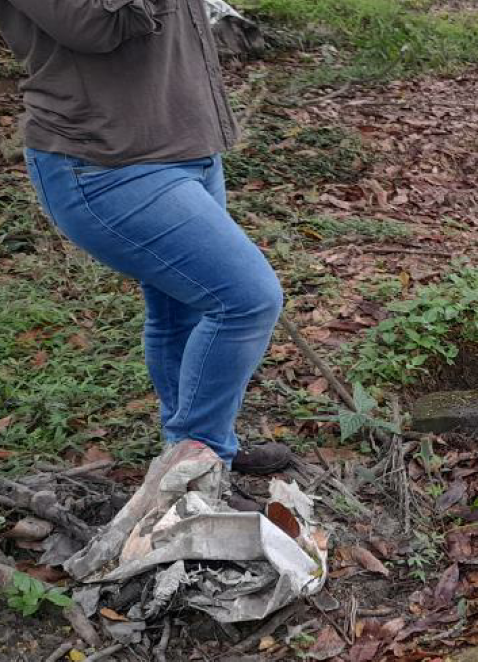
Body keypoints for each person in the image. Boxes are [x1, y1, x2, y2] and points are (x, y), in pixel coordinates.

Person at [1, 0, 291, 474]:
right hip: (106, 163)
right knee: (246, 299)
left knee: (181, 309)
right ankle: (196, 466)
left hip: (182, 144)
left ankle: (198, 451)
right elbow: (94, 24)